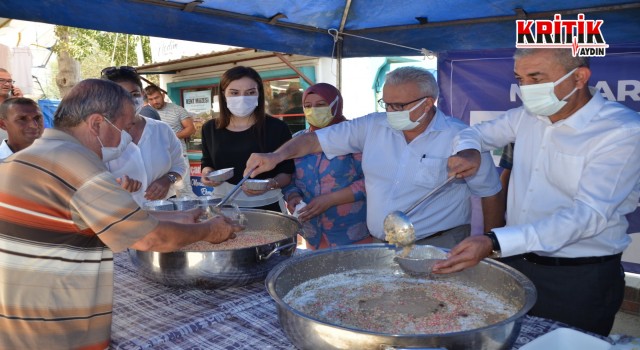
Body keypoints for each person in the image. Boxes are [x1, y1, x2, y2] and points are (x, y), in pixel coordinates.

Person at [0, 79, 243, 349]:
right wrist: (210, 231)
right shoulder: (76, 165)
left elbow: (103, 220)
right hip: (52, 330)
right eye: (126, 127)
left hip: (17, 317)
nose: (129, 138)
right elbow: (150, 239)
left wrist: (180, 218)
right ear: (96, 124)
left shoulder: (35, 154)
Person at [435, 48, 640, 336]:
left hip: (576, 278)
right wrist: (469, 152)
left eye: (536, 78)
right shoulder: (526, 117)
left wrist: (495, 241)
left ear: (579, 77)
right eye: (520, 78)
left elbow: (588, 216)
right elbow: (475, 133)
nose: (525, 90)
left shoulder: (621, 131)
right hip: (517, 264)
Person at [246, 66, 504, 249]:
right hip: (380, 244)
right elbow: (314, 140)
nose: (390, 112)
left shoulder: (460, 138)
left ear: (428, 103)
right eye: (386, 103)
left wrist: (491, 247)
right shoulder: (373, 126)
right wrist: (276, 156)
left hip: (438, 244)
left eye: (399, 106)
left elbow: (490, 193)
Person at [282, 83, 370, 249]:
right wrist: (292, 196)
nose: (313, 110)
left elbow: (371, 181)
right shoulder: (298, 141)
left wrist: (330, 200)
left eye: (321, 105)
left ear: (335, 105)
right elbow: (289, 179)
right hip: (313, 232)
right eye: (308, 106)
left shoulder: (354, 138)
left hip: (352, 232)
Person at [200, 66, 295, 213]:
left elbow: (287, 174)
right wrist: (207, 174)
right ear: (223, 94)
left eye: (250, 93)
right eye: (234, 93)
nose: (242, 98)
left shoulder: (277, 127)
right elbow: (207, 162)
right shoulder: (209, 128)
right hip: (224, 207)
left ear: (259, 94)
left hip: (268, 208)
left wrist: (270, 184)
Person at [101, 66, 187, 204]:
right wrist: (116, 187)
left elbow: (179, 166)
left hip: (165, 211)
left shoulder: (162, 130)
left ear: (142, 94)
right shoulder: (99, 136)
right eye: (121, 96)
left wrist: (167, 180)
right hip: (124, 215)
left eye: (134, 94)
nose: (129, 101)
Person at [144, 84, 195, 197]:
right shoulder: (145, 113)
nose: (154, 101)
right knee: (162, 192)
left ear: (162, 95)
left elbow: (191, 128)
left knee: (184, 189)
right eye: (151, 99)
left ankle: (193, 214)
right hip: (157, 159)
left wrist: (168, 138)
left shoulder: (177, 109)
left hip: (178, 157)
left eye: (157, 97)